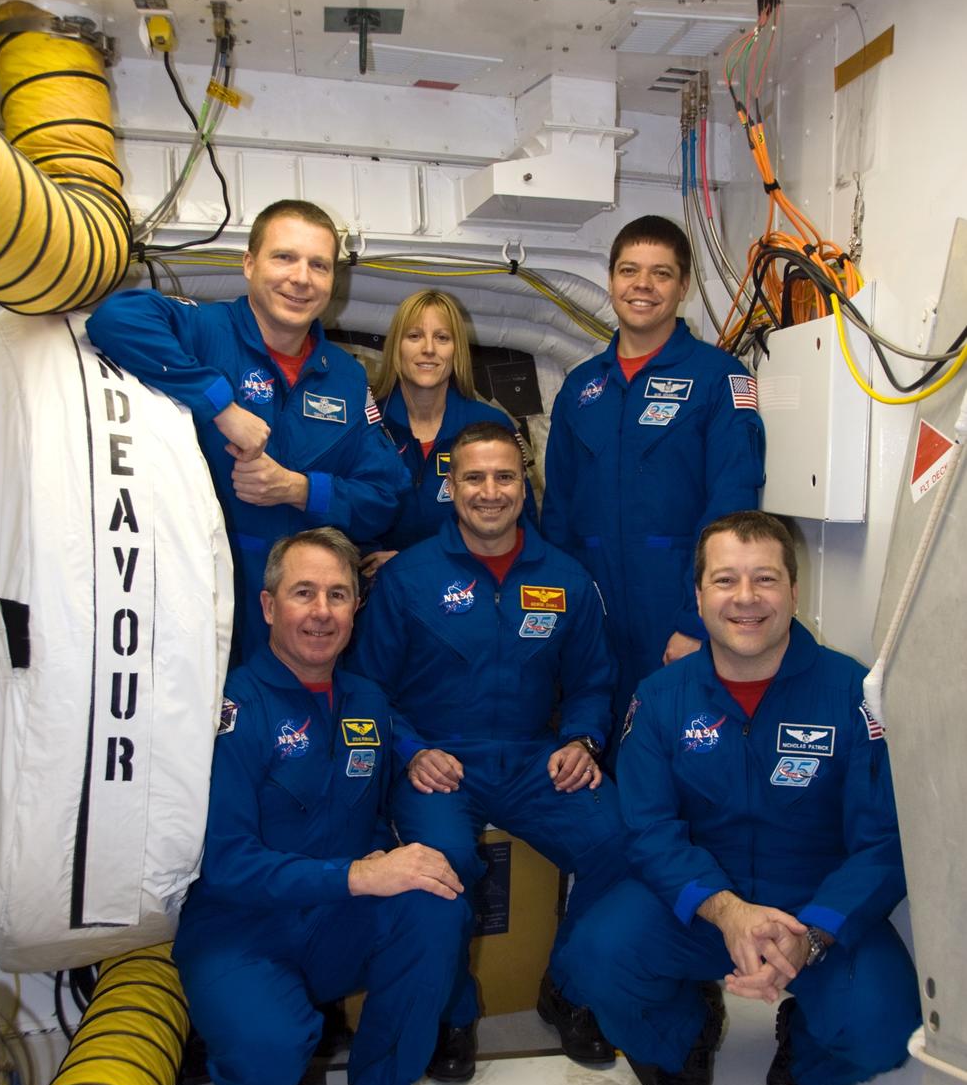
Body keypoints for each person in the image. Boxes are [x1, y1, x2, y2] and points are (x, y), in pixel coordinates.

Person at [552, 511, 920, 1085]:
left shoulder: (851, 693)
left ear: (794, 591)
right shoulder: (661, 697)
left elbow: (883, 842)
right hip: (696, 904)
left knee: (885, 1026)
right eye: (725, 581)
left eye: (765, 580)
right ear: (697, 597)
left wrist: (816, 932)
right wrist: (725, 910)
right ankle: (686, 1034)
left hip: (815, 911)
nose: (745, 599)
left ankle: (803, 1053)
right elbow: (649, 830)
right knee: (593, 959)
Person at [173, 528, 469, 1085]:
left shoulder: (367, 701)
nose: (321, 611)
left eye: (338, 594)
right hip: (242, 926)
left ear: (355, 608)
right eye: (303, 593)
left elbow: (395, 754)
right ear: (269, 605)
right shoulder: (231, 712)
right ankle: (228, 1024)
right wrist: (360, 874)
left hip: (336, 919)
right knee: (269, 1063)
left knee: (437, 898)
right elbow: (224, 863)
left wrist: (419, 759)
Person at [349, 420, 629, 1082]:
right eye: (473, 477)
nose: (490, 491)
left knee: (621, 842)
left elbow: (593, 681)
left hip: (534, 757)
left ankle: (571, 988)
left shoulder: (564, 578)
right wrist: (411, 749)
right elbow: (363, 691)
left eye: (504, 476)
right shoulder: (408, 579)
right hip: (437, 762)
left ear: (522, 486)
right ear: (450, 487)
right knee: (439, 868)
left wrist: (582, 739)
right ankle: (452, 1013)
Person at [86, 199, 407, 659]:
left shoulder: (346, 376)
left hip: (302, 623)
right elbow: (116, 318)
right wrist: (219, 404)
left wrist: (298, 489)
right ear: (249, 263)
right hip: (196, 597)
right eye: (284, 257)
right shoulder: (205, 330)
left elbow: (384, 499)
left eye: (319, 265)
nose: (301, 278)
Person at [542, 215, 766, 759]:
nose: (642, 285)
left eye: (660, 273)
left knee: (681, 761)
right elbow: (558, 514)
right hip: (593, 612)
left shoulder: (719, 379)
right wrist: (553, 616)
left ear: (683, 286)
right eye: (629, 270)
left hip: (675, 614)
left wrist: (699, 623)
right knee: (597, 761)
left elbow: (733, 510)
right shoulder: (581, 387)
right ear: (612, 278)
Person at [361, 288, 536, 576]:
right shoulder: (365, 424)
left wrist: (412, 564)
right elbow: (342, 514)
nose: (428, 349)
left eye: (442, 338)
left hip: (468, 589)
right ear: (396, 347)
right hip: (380, 593)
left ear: (457, 350)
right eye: (414, 336)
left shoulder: (491, 427)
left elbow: (520, 530)